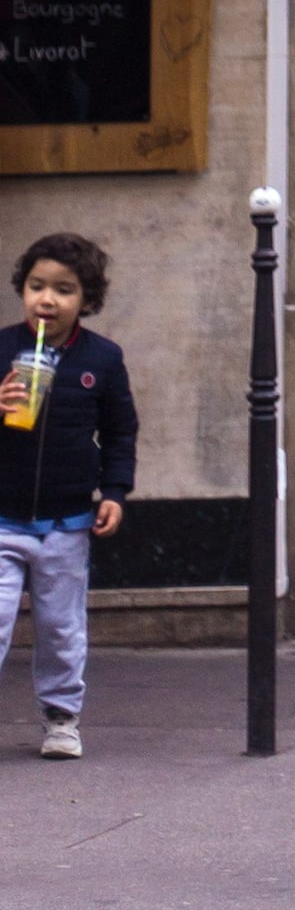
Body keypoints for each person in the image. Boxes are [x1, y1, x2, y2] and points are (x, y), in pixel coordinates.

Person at [0, 232, 136, 760]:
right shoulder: (2, 350)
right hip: (4, 518)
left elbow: (121, 431)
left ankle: (61, 717)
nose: (47, 300)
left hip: (67, 521)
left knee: (61, 627)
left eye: (64, 289)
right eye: (37, 286)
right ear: (23, 290)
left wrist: (116, 492)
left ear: (86, 300)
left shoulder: (101, 359)